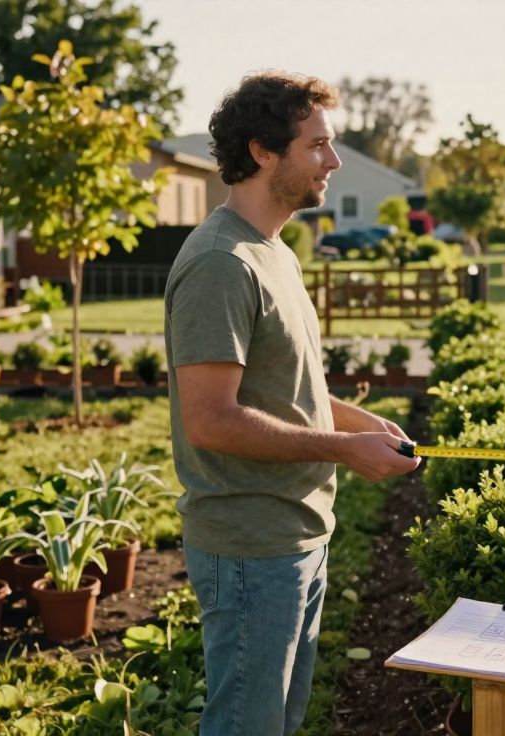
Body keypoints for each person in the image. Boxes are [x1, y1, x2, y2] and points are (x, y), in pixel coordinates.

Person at [164, 70, 420, 736]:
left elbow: (286, 388)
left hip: (298, 533)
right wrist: (345, 451)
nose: (333, 161)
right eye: (317, 146)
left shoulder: (275, 252)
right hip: (251, 545)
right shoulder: (222, 262)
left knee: (278, 719)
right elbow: (210, 419)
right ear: (261, 151)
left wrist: (362, 423)